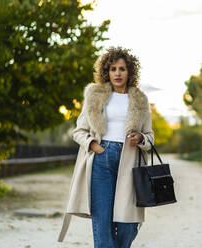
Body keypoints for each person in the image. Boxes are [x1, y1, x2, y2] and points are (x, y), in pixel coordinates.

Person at [57, 46, 154, 248]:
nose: (117, 73)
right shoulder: (95, 95)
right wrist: (93, 145)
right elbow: (79, 131)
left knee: (129, 223)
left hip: (130, 163)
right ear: (106, 72)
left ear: (130, 72)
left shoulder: (140, 100)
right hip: (101, 159)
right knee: (103, 223)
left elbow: (150, 137)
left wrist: (141, 138)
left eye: (122, 69)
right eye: (113, 69)